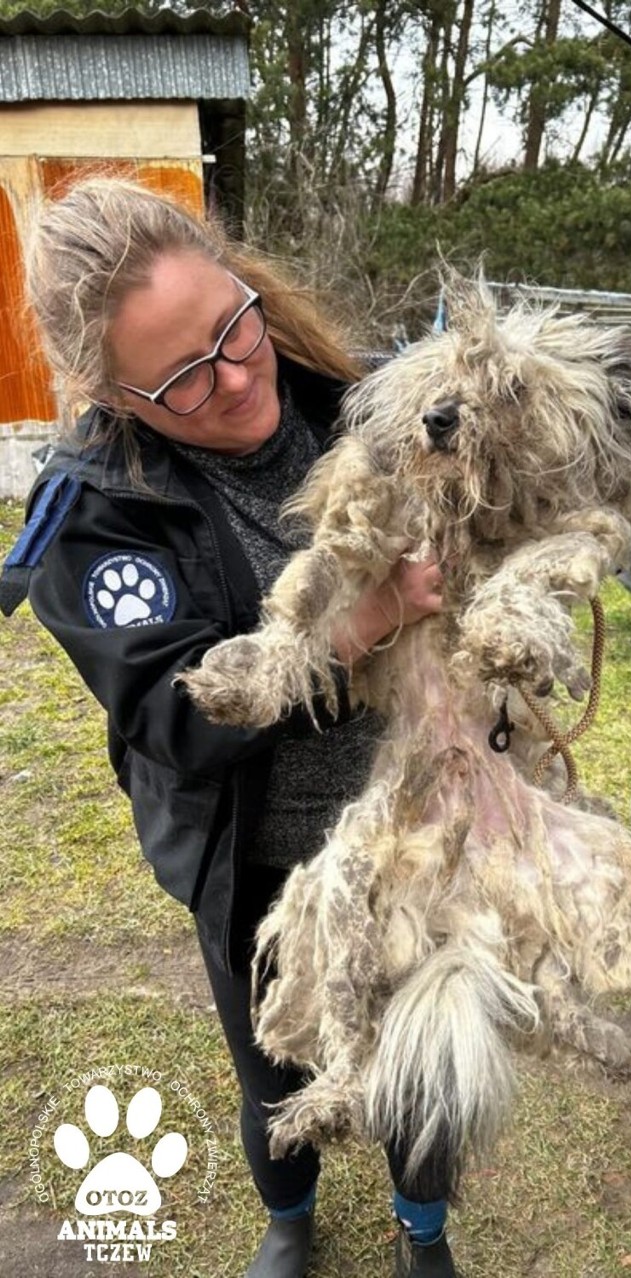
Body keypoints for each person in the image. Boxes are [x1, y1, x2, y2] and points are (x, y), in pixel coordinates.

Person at [0, 177, 458, 1278]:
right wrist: (358, 627)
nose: (237, 377)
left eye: (234, 326)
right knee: (279, 1059)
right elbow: (174, 717)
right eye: (186, 376)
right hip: (257, 856)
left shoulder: (354, 403)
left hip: (416, 826)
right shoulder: (92, 514)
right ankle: (290, 1218)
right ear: (118, 393)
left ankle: (425, 1232)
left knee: (424, 1049)